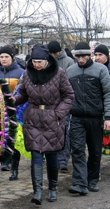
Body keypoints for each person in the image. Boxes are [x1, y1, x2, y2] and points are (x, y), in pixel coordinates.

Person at [11, 43, 74, 205]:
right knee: (36, 155)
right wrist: (14, 99)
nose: (36, 65)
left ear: (47, 60)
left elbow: (69, 96)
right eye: (34, 61)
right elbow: (23, 94)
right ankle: (37, 191)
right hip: (33, 119)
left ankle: (52, 188)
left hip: (53, 119)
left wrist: (58, 114)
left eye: (39, 62)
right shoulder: (27, 74)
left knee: (52, 155)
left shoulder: (59, 74)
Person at [66, 42, 110, 195]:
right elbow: (66, 94)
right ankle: (79, 183)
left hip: (95, 117)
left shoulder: (101, 70)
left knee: (95, 150)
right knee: (77, 150)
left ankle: (92, 179)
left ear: (89, 55)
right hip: (77, 117)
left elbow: (107, 93)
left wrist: (108, 117)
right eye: (78, 56)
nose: (81, 59)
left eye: (84, 55)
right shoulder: (70, 71)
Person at [0, 44, 25, 181]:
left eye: (6, 57)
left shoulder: (20, 73)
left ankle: (14, 169)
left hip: (15, 110)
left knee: (13, 141)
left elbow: (23, 92)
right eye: (1, 57)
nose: (3, 59)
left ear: (12, 57)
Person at [48, 40, 75, 173]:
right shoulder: (47, 61)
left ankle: (63, 160)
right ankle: (53, 157)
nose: (54, 55)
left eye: (55, 52)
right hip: (50, 102)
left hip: (64, 101)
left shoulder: (69, 62)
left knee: (65, 131)